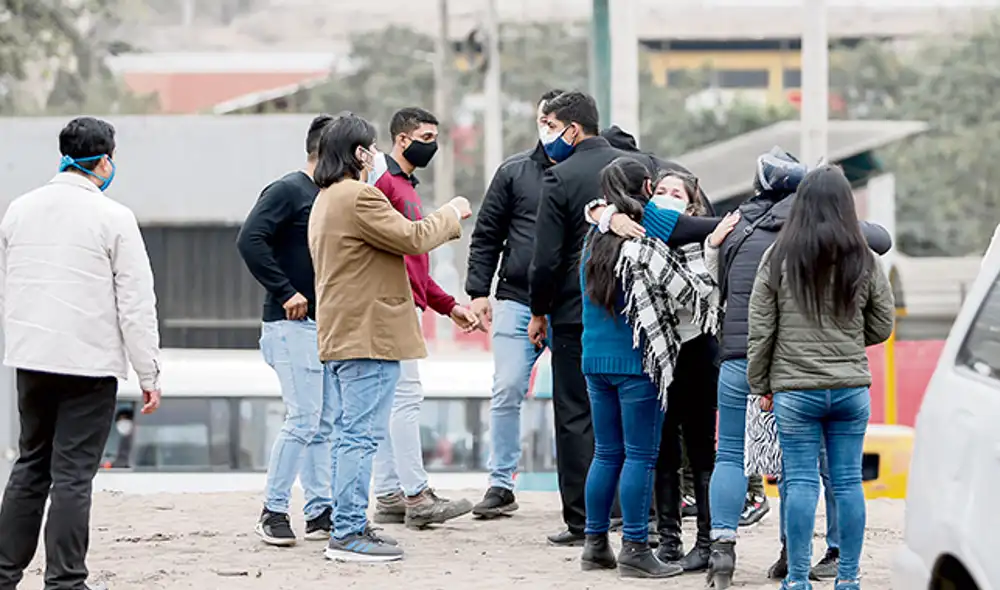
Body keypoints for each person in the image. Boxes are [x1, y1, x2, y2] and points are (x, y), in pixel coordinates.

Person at [703, 150, 892, 589]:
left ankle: (798, 581)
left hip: (794, 390)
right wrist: (845, 346)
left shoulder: (778, 256)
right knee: (847, 483)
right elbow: (882, 323)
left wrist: (762, 383)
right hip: (850, 389)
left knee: (802, 480)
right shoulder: (864, 257)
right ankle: (848, 578)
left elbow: (761, 328)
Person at [0, 116, 162, 590]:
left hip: (31, 359)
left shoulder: (19, 209)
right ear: (105, 159)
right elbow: (135, 302)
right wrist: (148, 371)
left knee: (30, 464)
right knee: (71, 474)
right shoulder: (114, 217)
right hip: (88, 364)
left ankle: (4, 574)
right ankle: (65, 580)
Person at [308, 113, 471, 563]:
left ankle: (351, 524)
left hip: (347, 332)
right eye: (371, 148)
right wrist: (452, 213)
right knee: (359, 437)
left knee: (351, 435)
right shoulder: (359, 197)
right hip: (369, 334)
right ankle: (347, 532)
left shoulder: (327, 198)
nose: (375, 156)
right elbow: (414, 238)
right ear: (359, 153)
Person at [578, 157, 729, 578]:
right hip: (634, 363)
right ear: (647, 187)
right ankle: (635, 550)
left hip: (593, 360)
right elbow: (690, 293)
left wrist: (601, 213)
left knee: (606, 453)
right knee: (642, 457)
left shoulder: (593, 237)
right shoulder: (643, 242)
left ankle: (594, 545)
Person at [528, 91, 641, 546]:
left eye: (551, 125)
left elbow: (546, 259)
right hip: (637, 310)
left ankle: (583, 521)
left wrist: (539, 311)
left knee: (576, 415)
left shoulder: (559, 178)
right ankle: (637, 515)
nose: (547, 136)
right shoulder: (640, 167)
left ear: (573, 129)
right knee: (637, 419)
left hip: (577, 315)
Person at [368, 107, 477, 529]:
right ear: (401, 139)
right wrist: (448, 215)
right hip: (391, 305)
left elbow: (415, 262)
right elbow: (409, 245)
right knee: (405, 398)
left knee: (388, 402)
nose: (431, 145)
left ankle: (392, 492)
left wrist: (449, 306)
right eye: (425, 136)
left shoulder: (405, 187)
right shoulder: (384, 183)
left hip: (405, 301)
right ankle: (416, 494)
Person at [237, 114, 336, 546]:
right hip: (290, 323)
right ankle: (273, 511)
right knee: (303, 418)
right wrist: (285, 291)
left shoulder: (332, 196)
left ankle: (319, 511)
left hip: (325, 326)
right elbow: (249, 239)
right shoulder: (287, 190)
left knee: (325, 422)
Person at [465, 89, 565, 518]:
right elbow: (487, 234)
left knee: (576, 397)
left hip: (570, 304)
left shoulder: (591, 173)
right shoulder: (514, 173)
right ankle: (501, 483)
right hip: (515, 299)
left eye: (557, 124)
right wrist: (476, 292)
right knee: (506, 388)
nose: (549, 131)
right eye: (544, 122)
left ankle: (580, 489)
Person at [646, 169, 721, 573]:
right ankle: (670, 540)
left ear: (692, 202)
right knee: (663, 451)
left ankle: (707, 541)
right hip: (660, 353)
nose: (668, 196)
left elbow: (707, 292)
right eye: (660, 191)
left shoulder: (707, 241)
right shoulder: (643, 238)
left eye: (676, 192)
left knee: (700, 449)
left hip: (698, 350)